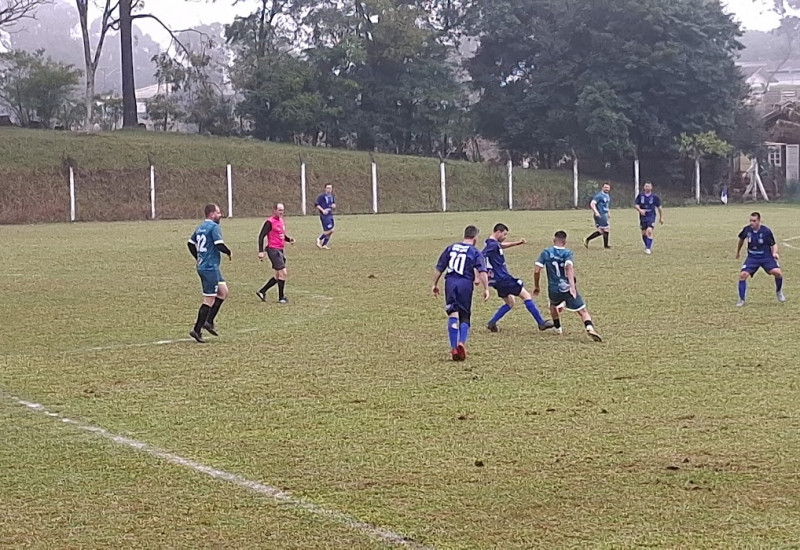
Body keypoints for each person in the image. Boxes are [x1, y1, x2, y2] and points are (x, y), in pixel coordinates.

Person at [432, 226, 490, 361]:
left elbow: (439, 268)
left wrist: (434, 284)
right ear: (475, 238)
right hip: (465, 284)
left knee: (453, 313)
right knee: (464, 315)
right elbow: (482, 271)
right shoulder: (474, 251)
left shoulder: (451, 248)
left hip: (450, 283)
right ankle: (461, 343)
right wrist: (486, 288)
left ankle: (453, 348)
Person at [482, 223, 553, 332]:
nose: (505, 237)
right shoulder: (492, 246)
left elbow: (501, 246)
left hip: (497, 280)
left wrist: (517, 243)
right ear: (498, 232)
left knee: (510, 302)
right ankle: (541, 323)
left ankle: (492, 323)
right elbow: (481, 255)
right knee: (526, 296)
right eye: (504, 234)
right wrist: (479, 273)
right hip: (503, 278)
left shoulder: (492, 243)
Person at [534, 231, 602, 342]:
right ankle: (589, 327)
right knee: (582, 311)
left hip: (554, 288)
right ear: (565, 241)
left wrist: (537, 286)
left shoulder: (546, 252)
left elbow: (537, 270)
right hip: (566, 287)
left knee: (553, 305)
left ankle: (558, 329)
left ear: (554, 240)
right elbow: (569, 268)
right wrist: (572, 287)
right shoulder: (567, 253)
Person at [187, 204, 231, 343]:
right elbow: (218, 244)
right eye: (218, 212)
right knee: (209, 299)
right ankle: (197, 329)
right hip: (209, 268)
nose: (220, 215)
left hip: (210, 267)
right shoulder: (213, 227)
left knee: (223, 292)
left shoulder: (200, 227)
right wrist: (228, 251)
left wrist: (198, 257)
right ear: (211, 214)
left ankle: (209, 321)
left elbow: (190, 243)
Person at [736, 212, 785, 306]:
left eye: (754, 221)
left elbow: (773, 244)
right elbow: (741, 240)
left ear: (759, 221)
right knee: (743, 275)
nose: (752, 223)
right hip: (752, 257)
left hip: (766, 256)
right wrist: (738, 252)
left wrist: (774, 253)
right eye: (750, 220)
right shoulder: (747, 230)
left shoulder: (766, 231)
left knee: (777, 273)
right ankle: (741, 299)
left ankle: (779, 291)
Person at [256, 203, 295, 304]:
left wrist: (288, 239)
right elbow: (261, 236)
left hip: (280, 250)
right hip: (273, 250)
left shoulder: (281, 221)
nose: (281, 212)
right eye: (279, 210)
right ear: (274, 210)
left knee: (278, 275)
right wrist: (261, 251)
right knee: (283, 273)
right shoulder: (269, 222)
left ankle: (262, 291)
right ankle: (281, 298)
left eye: (282, 210)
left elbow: (281, 234)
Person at [634, 181, 664, 254]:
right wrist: (640, 210)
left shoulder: (655, 197)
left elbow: (659, 207)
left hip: (651, 215)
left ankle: (648, 248)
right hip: (643, 216)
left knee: (649, 231)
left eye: (649, 186)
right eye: (646, 186)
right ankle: (647, 245)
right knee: (644, 233)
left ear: (651, 187)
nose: (647, 187)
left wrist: (661, 217)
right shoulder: (640, 196)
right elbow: (636, 205)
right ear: (644, 187)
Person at [585, 182, 612, 249]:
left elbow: (606, 205)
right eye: (605, 187)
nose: (606, 189)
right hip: (600, 214)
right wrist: (596, 212)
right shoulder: (599, 196)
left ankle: (587, 239)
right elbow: (592, 204)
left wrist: (608, 212)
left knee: (601, 231)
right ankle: (606, 246)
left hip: (604, 214)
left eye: (607, 187)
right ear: (602, 188)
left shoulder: (607, 195)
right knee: (606, 229)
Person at [315, 184, 336, 249]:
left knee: (330, 230)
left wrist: (333, 206)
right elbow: (317, 204)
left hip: (330, 214)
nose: (329, 190)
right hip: (324, 216)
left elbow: (333, 204)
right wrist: (323, 210)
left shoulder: (331, 196)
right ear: (325, 189)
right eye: (328, 188)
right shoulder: (321, 196)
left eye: (330, 188)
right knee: (331, 230)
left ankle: (324, 245)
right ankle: (319, 239)